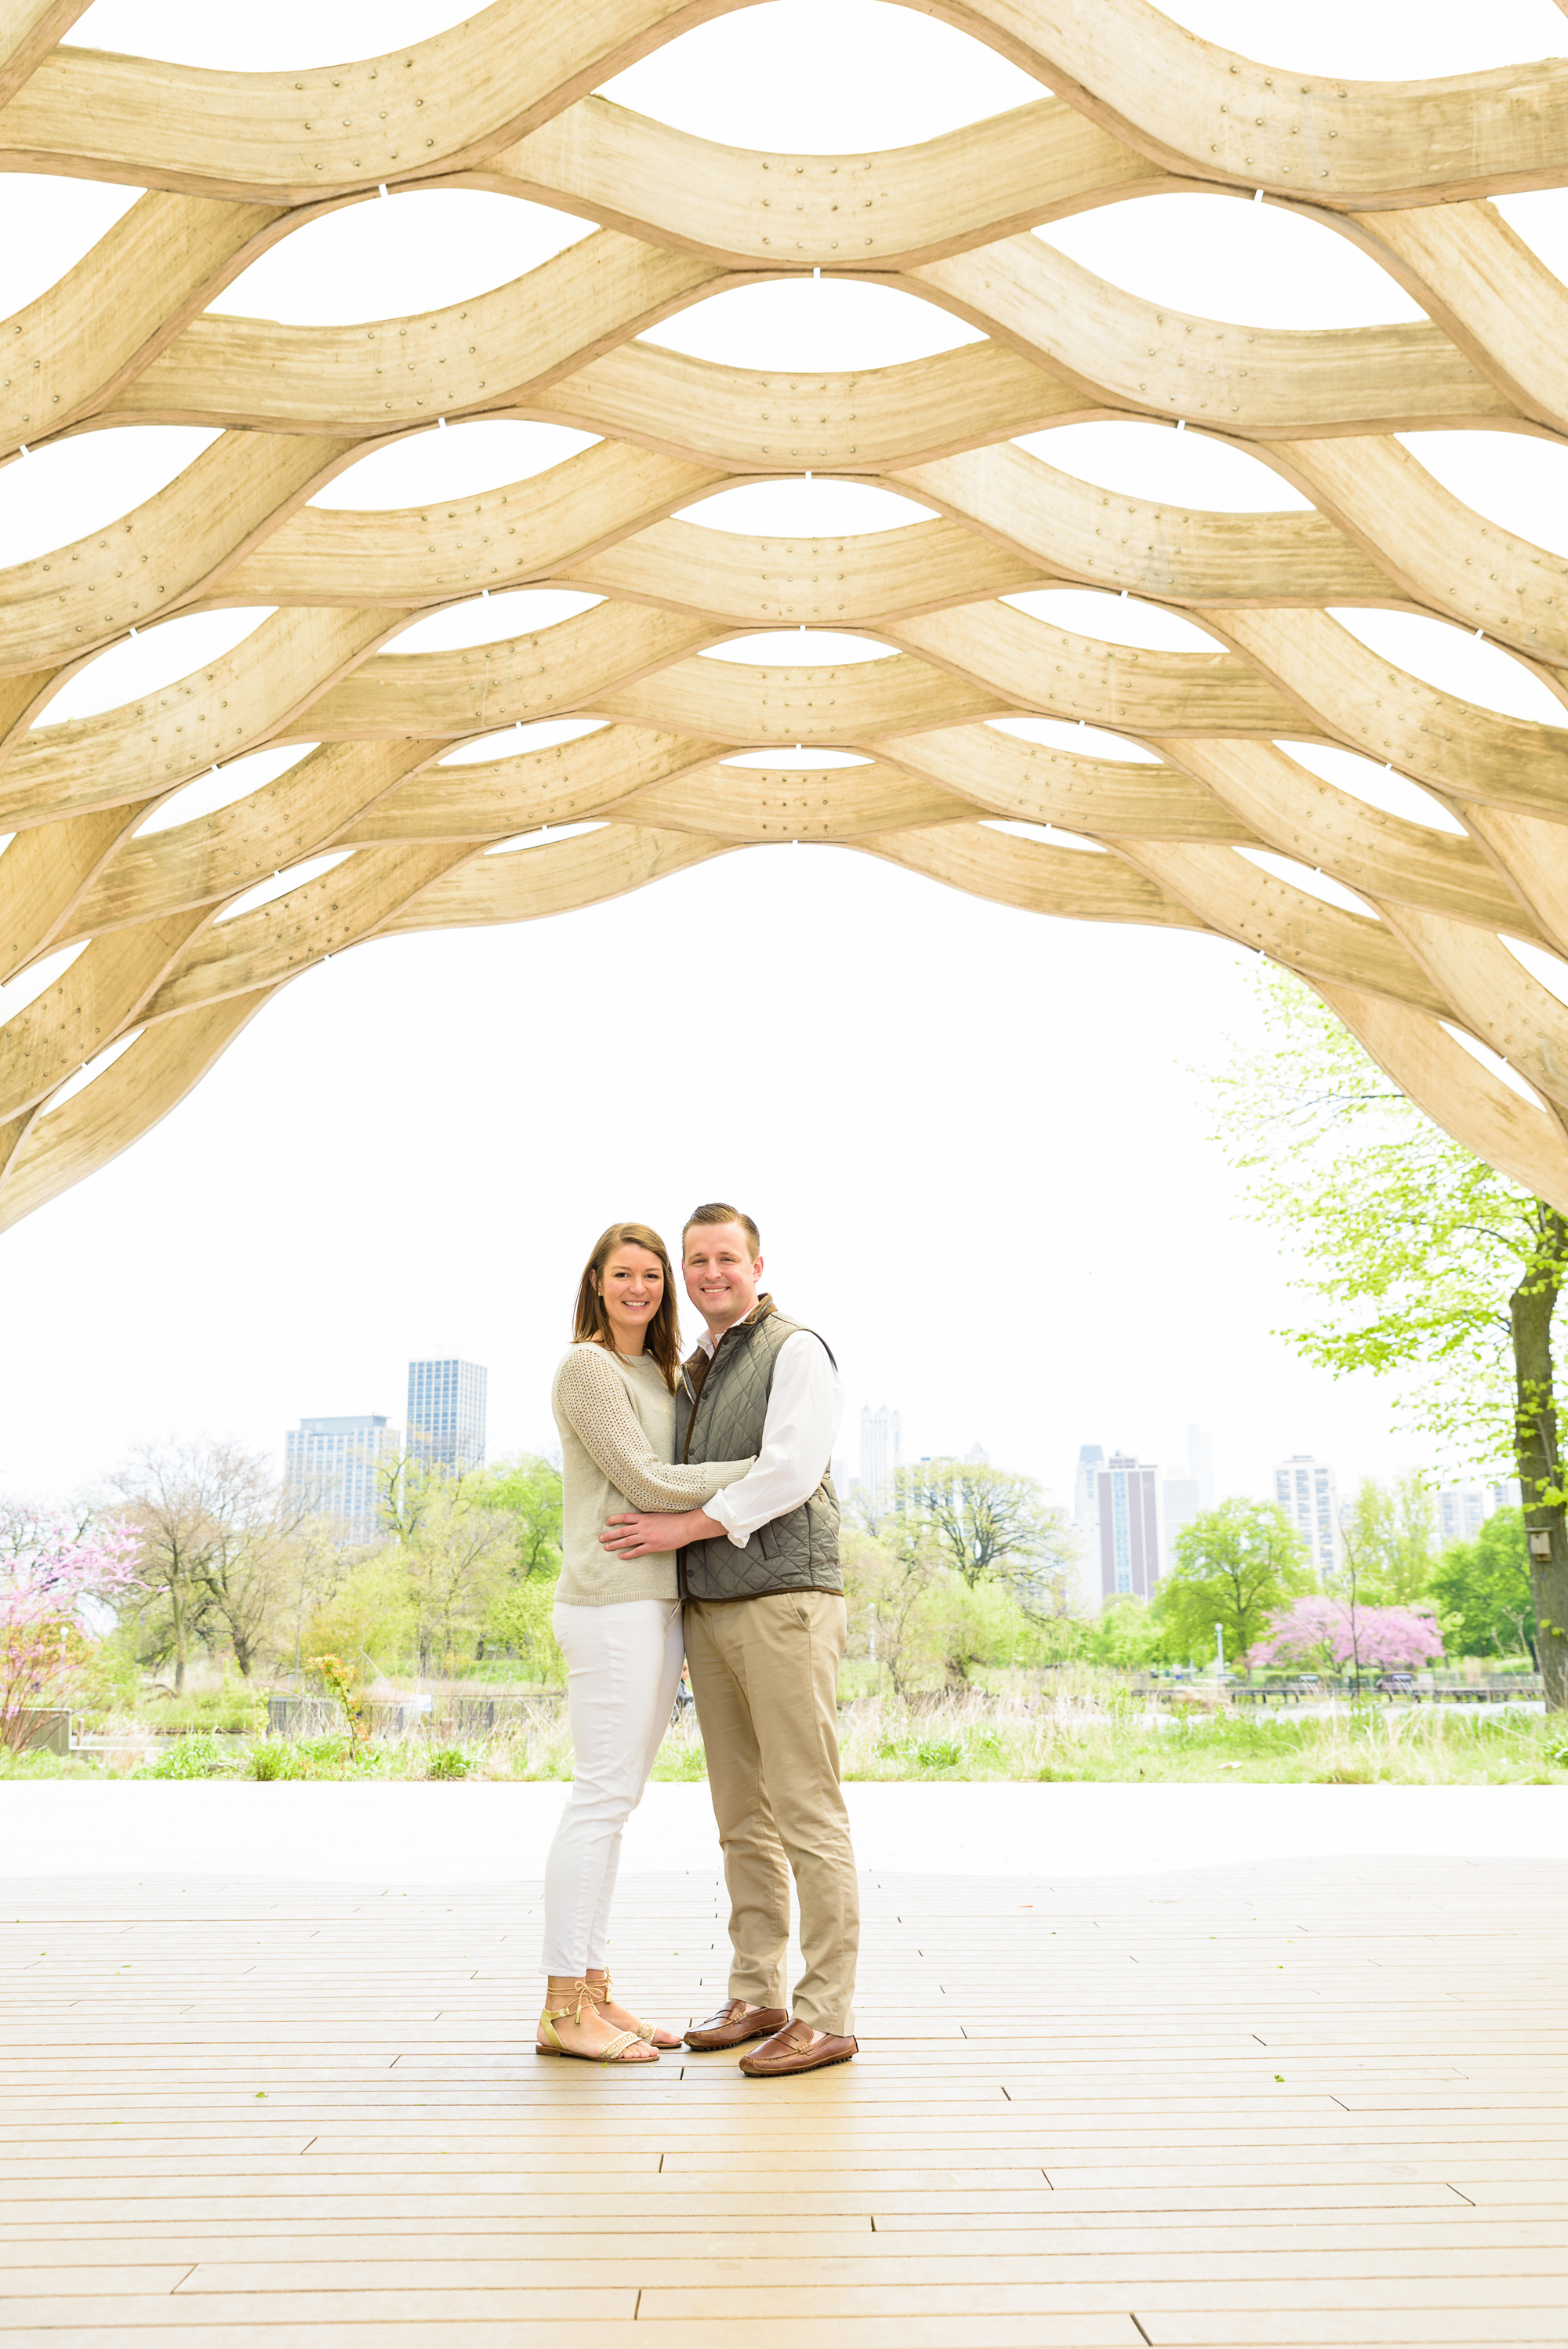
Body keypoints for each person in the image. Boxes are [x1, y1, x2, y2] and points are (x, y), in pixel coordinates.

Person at [601, 1204, 858, 2077]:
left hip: (784, 1599)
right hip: (712, 1607)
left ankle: (827, 2012)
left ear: (755, 1262)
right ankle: (758, 1991)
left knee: (805, 1807)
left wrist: (687, 1528)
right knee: (741, 1815)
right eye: (695, 1260)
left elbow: (788, 1467)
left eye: (724, 1257)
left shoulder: (795, 1348)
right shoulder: (697, 1368)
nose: (709, 1272)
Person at [538, 1220, 753, 2066]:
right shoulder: (586, 1365)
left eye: (651, 1276)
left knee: (615, 1804)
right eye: (622, 1274)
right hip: (608, 1601)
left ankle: (592, 1987)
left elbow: (668, 1480)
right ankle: (561, 2007)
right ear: (595, 1281)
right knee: (598, 1800)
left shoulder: (658, 1371)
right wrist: (769, 1467)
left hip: (655, 1604)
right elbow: (647, 1482)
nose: (639, 1288)